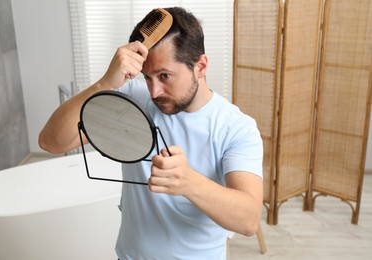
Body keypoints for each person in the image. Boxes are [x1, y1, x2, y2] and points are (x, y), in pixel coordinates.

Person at [39, 7, 263, 260]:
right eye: (147, 77)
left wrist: (189, 182)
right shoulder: (134, 99)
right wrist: (104, 83)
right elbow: (51, 142)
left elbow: (248, 221)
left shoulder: (236, 128)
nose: (154, 91)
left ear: (200, 66)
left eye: (164, 76)